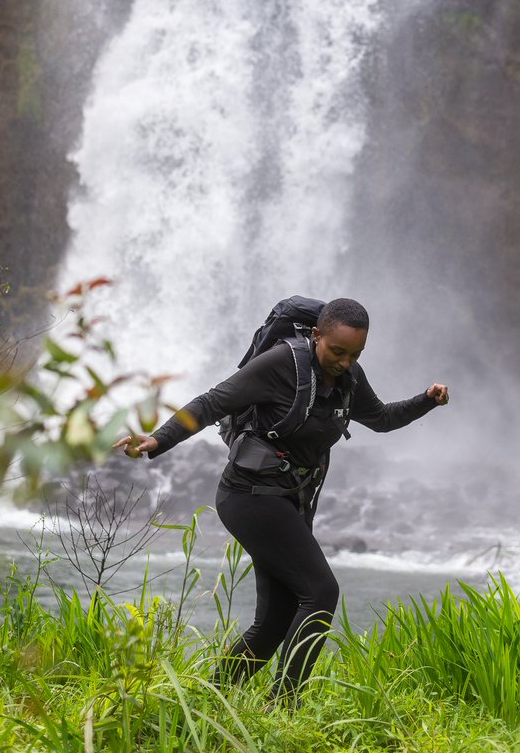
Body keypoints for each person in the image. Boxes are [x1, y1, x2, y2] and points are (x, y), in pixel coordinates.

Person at [114, 297, 449, 700]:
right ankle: (284, 708)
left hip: (291, 501)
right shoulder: (281, 364)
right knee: (322, 592)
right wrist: (156, 439)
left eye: (355, 354)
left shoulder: (349, 377)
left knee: (275, 621)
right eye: (337, 352)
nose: (345, 362)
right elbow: (212, 402)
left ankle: (211, 699)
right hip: (249, 496)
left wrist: (427, 400)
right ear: (316, 335)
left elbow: (382, 419)